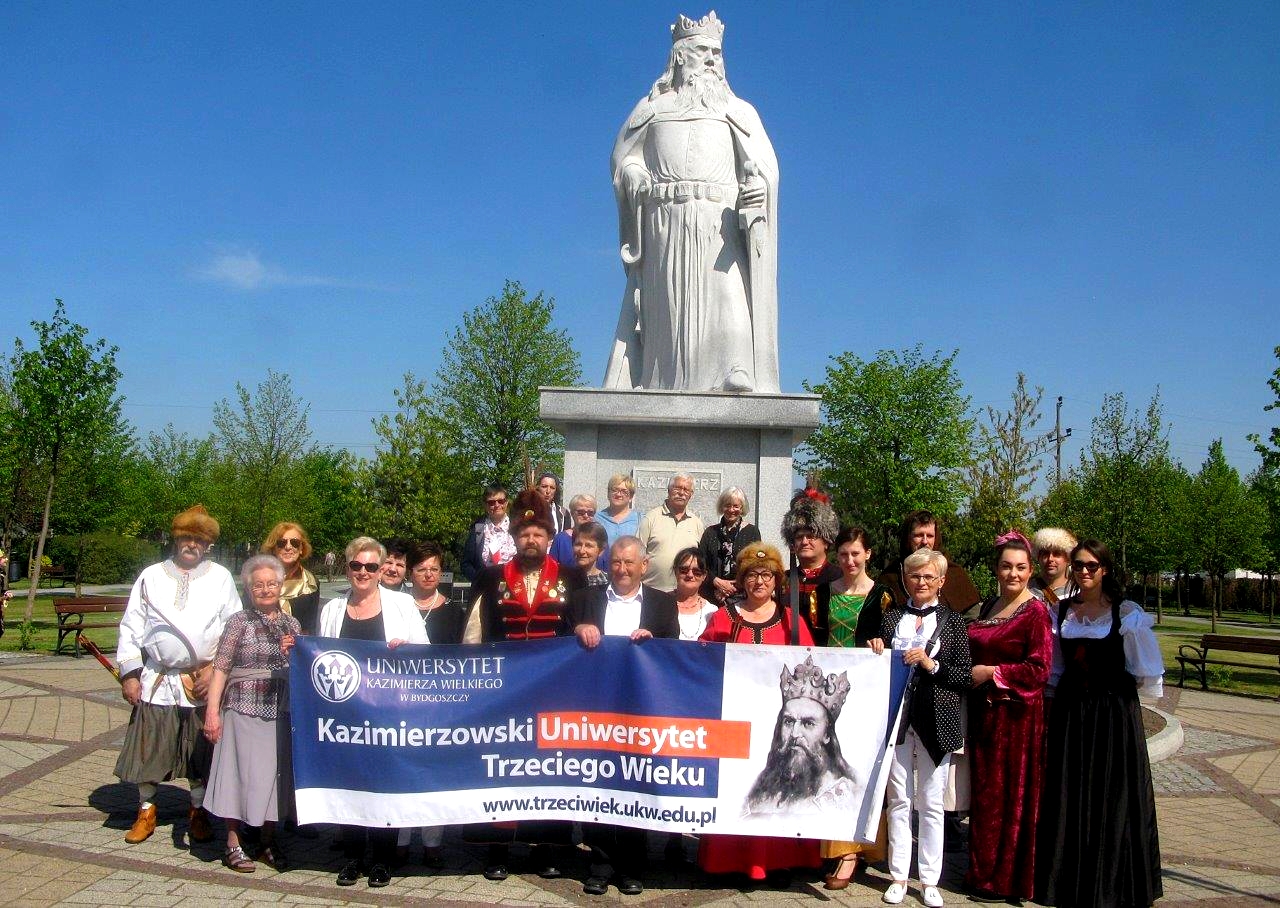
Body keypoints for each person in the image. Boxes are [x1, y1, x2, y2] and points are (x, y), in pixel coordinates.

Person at [604, 10, 780, 394]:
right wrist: (634, 174)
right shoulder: (650, 110)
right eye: (703, 50)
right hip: (666, 221)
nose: (713, 59)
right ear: (680, 55)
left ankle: (735, 369)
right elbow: (622, 159)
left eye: (717, 52)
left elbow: (765, 169)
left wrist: (760, 190)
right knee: (668, 311)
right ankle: (659, 382)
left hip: (721, 226)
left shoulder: (739, 112)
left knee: (729, 305)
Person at [464, 486, 586, 881]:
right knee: (501, 768)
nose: (530, 540)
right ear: (514, 537)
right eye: (524, 534)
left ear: (550, 538)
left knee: (548, 769)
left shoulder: (572, 576)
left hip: (555, 692)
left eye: (538, 535)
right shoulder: (491, 575)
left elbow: (583, 627)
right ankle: (496, 848)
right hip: (504, 693)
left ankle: (547, 847)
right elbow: (474, 633)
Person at [1035, 540, 1163, 908]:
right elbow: (1056, 670)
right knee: (1071, 792)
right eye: (1078, 565)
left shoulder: (1127, 614)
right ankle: (1071, 881)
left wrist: (1111, 694)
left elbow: (1145, 676)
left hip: (1112, 717)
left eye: (1092, 565)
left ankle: (1112, 883)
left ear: (1105, 568)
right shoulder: (1060, 613)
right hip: (1073, 716)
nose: (1084, 571)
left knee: (1113, 793)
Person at [113, 505, 242, 846]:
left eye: (198, 540)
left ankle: (197, 811)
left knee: (200, 751)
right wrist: (130, 673)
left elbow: (234, 626)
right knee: (151, 748)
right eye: (186, 537)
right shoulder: (151, 576)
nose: (191, 545)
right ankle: (146, 810)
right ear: (176, 539)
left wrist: (217, 670)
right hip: (159, 679)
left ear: (208, 544)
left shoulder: (221, 578)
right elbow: (130, 626)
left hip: (202, 680)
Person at [698, 545, 821, 883]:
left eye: (766, 575)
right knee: (736, 788)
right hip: (734, 721)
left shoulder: (791, 621)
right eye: (751, 575)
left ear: (776, 580)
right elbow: (702, 660)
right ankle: (730, 861)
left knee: (778, 787)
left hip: (777, 725)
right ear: (742, 580)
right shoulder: (724, 617)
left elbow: (810, 668)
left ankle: (777, 860)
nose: (758, 581)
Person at [567, 536, 679, 896]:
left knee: (635, 784)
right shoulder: (586, 599)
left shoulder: (663, 605)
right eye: (616, 562)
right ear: (607, 562)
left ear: (644, 566)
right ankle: (599, 864)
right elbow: (561, 644)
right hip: (595, 707)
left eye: (630, 563)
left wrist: (655, 641)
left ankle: (632, 865)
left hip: (641, 709)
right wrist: (577, 630)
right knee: (599, 787)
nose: (622, 569)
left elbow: (673, 648)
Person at [318, 537, 429, 889]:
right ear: (347, 568)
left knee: (385, 784)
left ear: (382, 570)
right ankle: (352, 856)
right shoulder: (332, 610)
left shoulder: (402, 605)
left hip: (389, 714)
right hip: (345, 715)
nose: (362, 572)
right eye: (356, 565)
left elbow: (425, 654)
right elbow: (320, 658)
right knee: (350, 783)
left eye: (370, 566)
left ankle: (382, 857)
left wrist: (406, 650)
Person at [868, 549, 973, 908]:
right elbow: (877, 661)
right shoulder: (892, 615)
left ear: (941, 581)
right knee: (899, 798)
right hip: (898, 717)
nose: (922, 582)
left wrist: (931, 663)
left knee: (931, 801)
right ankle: (898, 874)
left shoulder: (954, 622)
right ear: (905, 579)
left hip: (936, 719)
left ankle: (929, 879)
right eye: (915, 576)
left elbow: (962, 675)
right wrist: (877, 646)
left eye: (929, 576)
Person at [964, 532, 1052, 903]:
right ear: (996, 569)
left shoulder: (1035, 612)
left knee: (1010, 798)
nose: (1012, 574)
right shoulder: (988, 607)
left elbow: (1039, 668)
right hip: (987, 717)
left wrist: (991, 672)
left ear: (1030, 570)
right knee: (986, 796)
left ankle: (1005, 879)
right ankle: (981, 871)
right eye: (1005, 566)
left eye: (1020, 567)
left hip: (1017, 719)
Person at [203, 555, 300, 874]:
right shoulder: (238, 621)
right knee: (238, 776)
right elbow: (220, 668)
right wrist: (212, 713)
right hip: (242, 708)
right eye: (258, 584)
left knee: (274, 778)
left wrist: (295, 649)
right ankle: (233, 843)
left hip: (279, 711)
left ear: (281, 586)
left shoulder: (291, 623)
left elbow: (305, 666)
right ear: (247, 588)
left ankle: (266, 842)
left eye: (272, 583)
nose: (266, 589)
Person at [819, 526, 894, 889]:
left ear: (868, 555)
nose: (849, 561)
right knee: (831, 765)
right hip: (827, 694)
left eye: (856, 554)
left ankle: (852, 851)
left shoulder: (882, 595)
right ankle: (835, 844)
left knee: (857, 766)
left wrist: (882, 642)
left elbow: (893, 638)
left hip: (863, 691)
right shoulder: (823, 592)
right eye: (844, 554)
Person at [401, 539, 462, 866]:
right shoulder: (396, 606)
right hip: (398, 703)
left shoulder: (453, 611)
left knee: (432, 772)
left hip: (439, 704)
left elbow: (462, 660)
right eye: (421, 569)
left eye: (434, 569)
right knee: (402, 769)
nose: (428, 575)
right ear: (410, 572)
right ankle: (399, 837)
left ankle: (432, 841)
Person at [744, 655, 857, 817]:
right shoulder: (757, 792)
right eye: (789, 722)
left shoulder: (845, 796)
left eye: (808, 723)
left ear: (827, 734)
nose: (795, 734)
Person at [882, 510, 982, 618]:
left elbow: (971, 619)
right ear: (908, 538)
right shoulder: (890, 577)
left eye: (930, 536)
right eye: (919, 535)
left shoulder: (954, 573)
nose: (925, 541)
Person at [780, 492, 842, 643]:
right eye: (799, 537)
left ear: (826, 541)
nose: (805, 541)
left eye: (811, 536)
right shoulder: (782, 579)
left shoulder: (839, 577)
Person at [637, 473, 703, 592]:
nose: (681, 493)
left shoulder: (696, 523)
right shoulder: (651, 518)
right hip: (652, 590)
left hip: (684, 593)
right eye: (677, 488)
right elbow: (637, 555)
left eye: (686, 490)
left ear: (691, 495)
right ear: (668, 490)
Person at [697, 486, 761, 605]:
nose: (731, 510)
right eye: (727, 505)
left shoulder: (752, 532)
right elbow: (701, 563)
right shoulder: (710, 532)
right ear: (722, 507)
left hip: (742, 596)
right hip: (712, 595)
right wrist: (716, 582)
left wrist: (732, 587)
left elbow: (756, 564)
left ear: (742, 508)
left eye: (736, 506)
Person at [261, 522, 320, 635]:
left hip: (298, 647)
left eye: (295, 543)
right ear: (274, 548)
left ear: (301, 548)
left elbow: (311, 626)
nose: (288, 547)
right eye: (281, 543)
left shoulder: (311, 582)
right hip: (263, 647)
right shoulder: (257, 579)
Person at [460, 485, 515, 582]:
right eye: (491, 502)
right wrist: (479, 581)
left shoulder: (518, 528)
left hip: (514, 586)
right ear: (485, 505)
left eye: (501, 501)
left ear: (506, 502)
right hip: (486, 589)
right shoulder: (478, 529)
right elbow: (466, 564)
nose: (497, 505)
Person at [673, 547, 719, 640]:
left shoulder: (712, 611)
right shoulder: (660, 604)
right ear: (675, 571)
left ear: (704, 576)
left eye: (697, 572)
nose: (690, 575)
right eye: (684, 570)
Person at [1029, 527, 1079, 604]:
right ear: (1038, 557)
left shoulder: (1078, 592)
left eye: (1057, 554)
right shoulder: (1025, 589)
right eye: (1045, 554)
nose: (1050, 559)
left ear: (1068, 559)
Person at [550, 494, 599, 566]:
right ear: (572, 513)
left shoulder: (599, 538)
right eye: (580, 512)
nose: (585, 515)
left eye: (590, 513)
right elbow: (551, 566)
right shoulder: (560, 539)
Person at [597, 474, 639, 551]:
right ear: (608, 494)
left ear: (631, 497)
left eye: (624, 491)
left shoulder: (640, 519)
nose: (618, 494)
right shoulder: (596, 518)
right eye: (614, 490)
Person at [571, 520, 611, 587]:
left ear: (601, 550)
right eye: (578, 544)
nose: (581, 551)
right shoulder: (564, 579)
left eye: (588, 545)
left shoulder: (606, 583)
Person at [537, 472, 572, 537]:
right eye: (544, 486)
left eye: (552, 488)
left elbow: (566, 538)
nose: (548, 491)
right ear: (538, 488)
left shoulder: (564, 512)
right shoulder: (528, 509)